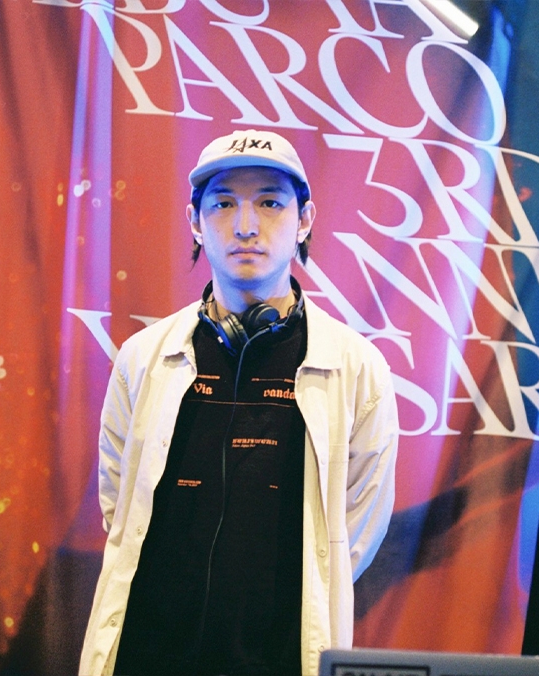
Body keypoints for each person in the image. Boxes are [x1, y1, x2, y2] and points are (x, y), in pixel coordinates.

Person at [78, 129, 399, 676]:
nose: (246, 225)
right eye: (223, 203)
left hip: (278, 660)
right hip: (147, 656)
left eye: (270, 203)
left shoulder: (357, 368)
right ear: (195, 221)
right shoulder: (143, 357)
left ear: (304, 220)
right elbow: (120, 503)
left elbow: (354, 532)